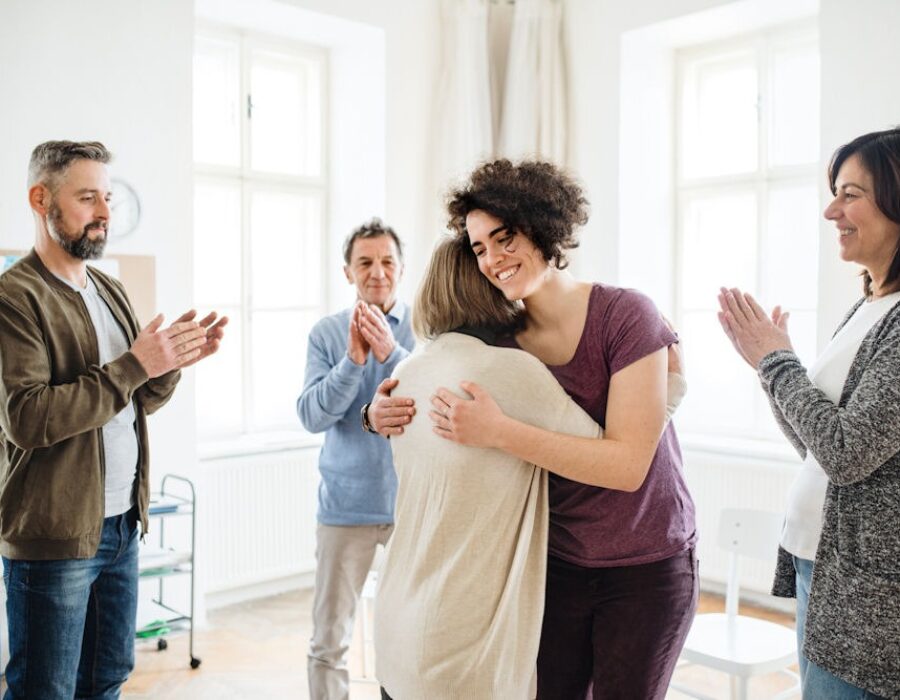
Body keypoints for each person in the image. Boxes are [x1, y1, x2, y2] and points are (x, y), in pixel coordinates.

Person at [372, 160, 698, 699]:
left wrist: (500, 432)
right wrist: (374, 413)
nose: (493, 259)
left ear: (543, 226)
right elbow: (436, 370)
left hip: (644, 567)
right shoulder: (504, 346)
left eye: (505, 238)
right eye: (479, 248)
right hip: (555, 562)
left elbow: (626, 467)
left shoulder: (625, 315)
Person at [0, 140, 227, 700]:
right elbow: (27, 418)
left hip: (123, 523)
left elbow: (136, 399)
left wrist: (169, 363)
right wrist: (134, 365)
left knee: (106, 680)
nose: (104, 212)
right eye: (87, 198)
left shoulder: (110, 290)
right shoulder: (14, 298)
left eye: (108, 198)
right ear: (40, 200)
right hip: (54, 538)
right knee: (44, 691)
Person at [717, 127, 900, 700]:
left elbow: (847, 453)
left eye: (850, 194)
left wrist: (776, 361)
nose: (831, 211)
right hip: (822, 566)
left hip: (865, 593)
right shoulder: (870, 306)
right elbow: (817, 448)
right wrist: (770, 366)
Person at [296, 218, 415, 700]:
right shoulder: (326, 333)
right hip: (345, 509)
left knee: (409, 636)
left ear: (402, 268)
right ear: (347, 271)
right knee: (330, 639)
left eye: (387, 261)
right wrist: (354, 361)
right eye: (365, 262)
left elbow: (437, 399)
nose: (377, 272)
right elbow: (312, 416)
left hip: (413, 509)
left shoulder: (427, 328)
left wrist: (392, 352)